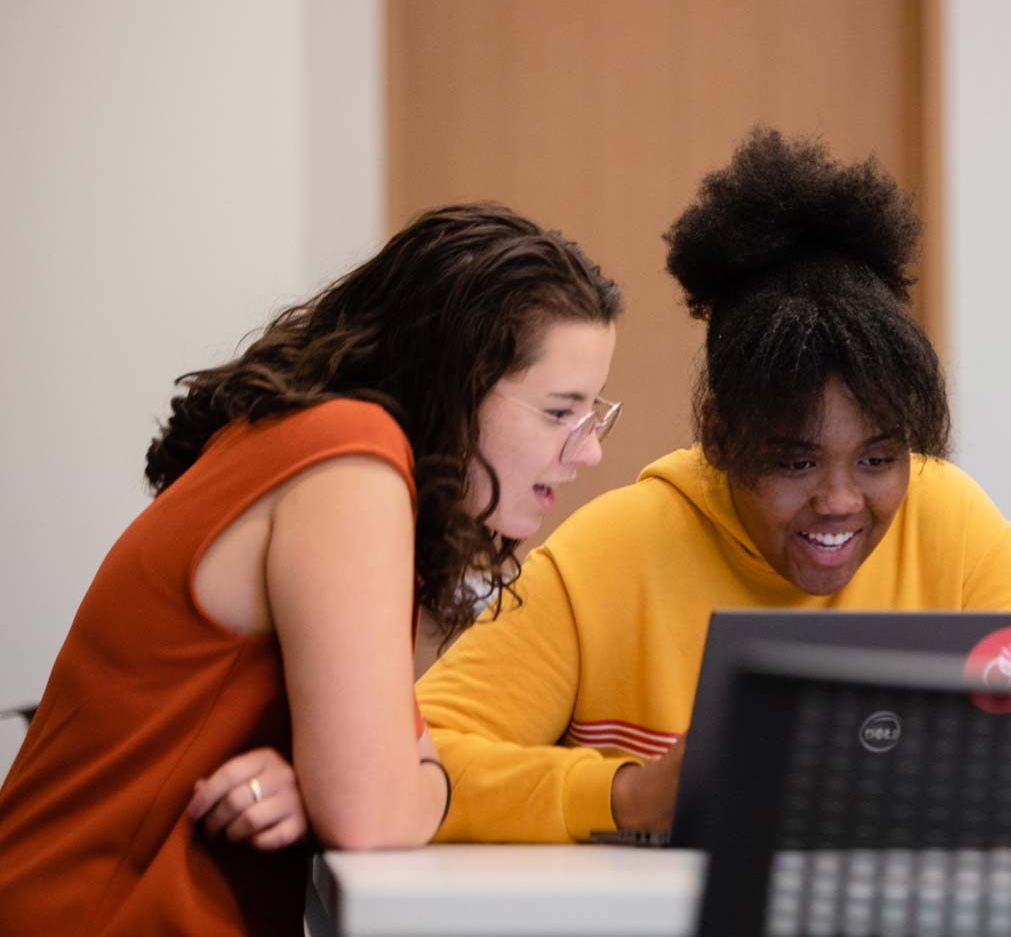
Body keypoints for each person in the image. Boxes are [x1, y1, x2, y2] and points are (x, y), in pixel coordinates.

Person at [417, 129, 1011, 843]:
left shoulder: (950, 519)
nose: (841, 501)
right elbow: (422, 763)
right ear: (720, 436)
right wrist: (626, 794)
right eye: (796, 463)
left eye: (879, 459)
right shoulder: (612, 550)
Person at [0, 203, 622, 935]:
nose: (588, 453)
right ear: (455, 379)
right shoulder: (351, 462)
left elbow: (368, 776)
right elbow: (375, 809)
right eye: (559, 413)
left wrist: (332, 781)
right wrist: (421, 785)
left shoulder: (305, 439)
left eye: (593, 416)